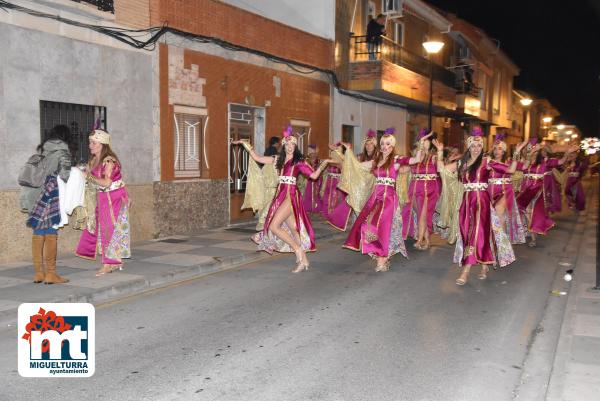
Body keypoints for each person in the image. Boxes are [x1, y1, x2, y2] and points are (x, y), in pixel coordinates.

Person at [433, 128, 528, 286]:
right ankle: (485, 264)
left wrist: (517, 153)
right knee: (467, 233)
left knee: (476, 233)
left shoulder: (487, 161)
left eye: (479, 145)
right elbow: (441, 170)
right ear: (469, 147)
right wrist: (440, 152)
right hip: (466, 202)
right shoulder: (461, 163)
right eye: (473, 145)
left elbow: (511, 170)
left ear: (482, 147)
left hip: (481, 201)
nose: (476, 148)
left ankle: (466, 271)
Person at [233, 126, 330, 273]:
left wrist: (324, 164)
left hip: (291, 197)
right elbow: (258, 158)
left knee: (273, 226)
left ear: (295, 146)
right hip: (281, 196)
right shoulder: (278, 159)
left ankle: (297, 249)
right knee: (293, 229)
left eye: (292, 144)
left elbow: (314, 176)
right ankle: (303, 260)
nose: (290, 147)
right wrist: (247, 145)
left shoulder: (299, 162)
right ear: (283, 145)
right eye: (287, 144)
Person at [342, 128, 428, 272]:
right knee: (367, 225)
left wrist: (421, 144)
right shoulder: (375, 161)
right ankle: (381, 254)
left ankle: (382, 260)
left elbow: (417, 159)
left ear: (392, 146)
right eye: (382, 143)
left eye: (388, 144)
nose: (384, 146)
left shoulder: (396, 160)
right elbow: (356, 167)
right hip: (376, 197)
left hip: (388, 198)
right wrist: (348, 152)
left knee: (382, 227)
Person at [76, 129, 131, 276]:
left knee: (110, 229)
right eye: (90, 142)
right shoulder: (94, 160)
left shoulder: (109, 160)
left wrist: (87, 176)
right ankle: (114, 261)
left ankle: (109, 264)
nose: (90, 145)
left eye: (93, 143)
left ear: (102, 144)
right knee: (102, 229)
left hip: (113, 197)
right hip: (102, 198)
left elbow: (106, 182)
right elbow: (89, 178)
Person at [22, 125, 72, 284]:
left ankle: (38, 273)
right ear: (65, 137)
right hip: (51, 194)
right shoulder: (63, 152)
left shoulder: (43, 150)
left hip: (36, 195)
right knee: (51, 231)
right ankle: (51, 273)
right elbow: (65, 175)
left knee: (38, 232)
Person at [516, 139, 577, 247]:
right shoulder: (524, 163)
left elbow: (561, 162)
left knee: (531, 212)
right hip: (525, 189)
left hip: (537, 190)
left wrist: (567, 153)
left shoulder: (545, 162)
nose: (531, 151)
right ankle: (529, 230)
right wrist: (517, 152)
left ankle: (533, 237)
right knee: (523, 211)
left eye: (534, 149)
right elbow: (515, 166)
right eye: (529, 149)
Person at [401, 128, 441, 250]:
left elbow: (439, 169)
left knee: (423, 214)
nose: (424, 145)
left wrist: (440, 152)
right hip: (414, 189)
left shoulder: (433, 158)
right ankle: (427, 240)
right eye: (421, 143)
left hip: (429, 190)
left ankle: (419, 239)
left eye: (426, 143)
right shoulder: (414, 159)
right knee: (421, 215)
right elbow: (403, 170)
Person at [487, 133, 526, 244]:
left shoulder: (508, 163)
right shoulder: (489, 162)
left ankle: (502, 243)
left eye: (499, 149)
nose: (496, 151)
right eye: (494, 148)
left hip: (504, 191)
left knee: (500, 213)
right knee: (492, 217)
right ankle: (494, 241)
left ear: (504, 151)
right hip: (490, 191)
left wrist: (518, 152)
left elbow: (519, 168)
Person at [302, 144, 323, 214]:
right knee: (308, 193)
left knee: (316, 193)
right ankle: (308, 207)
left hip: (317, 178)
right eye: (309, 151)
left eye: (311, 150)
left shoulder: (318, 160)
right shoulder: (307, 159)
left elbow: (320, 169)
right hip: (309, 178)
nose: (310, 152)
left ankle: (316, 207)